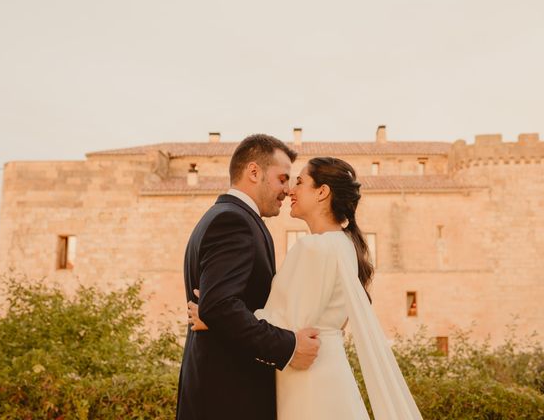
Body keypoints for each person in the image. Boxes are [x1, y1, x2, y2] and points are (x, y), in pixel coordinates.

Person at [189, 157, 423, 419]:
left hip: (308, 380)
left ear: (322, 192)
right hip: (333, 373)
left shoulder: (312, 248)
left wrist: (215, 318)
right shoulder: (345, 245)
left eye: (299, 182)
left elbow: (286, 322)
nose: (291, 190)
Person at [176, 134, 322, 420]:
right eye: (282, 179)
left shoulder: (229, 217)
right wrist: (289, 345)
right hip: (228, 399)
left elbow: (219, 308)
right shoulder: (234, 221)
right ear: (254, 172)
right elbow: (219, 307)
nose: (287, 190)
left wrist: (219, 318)